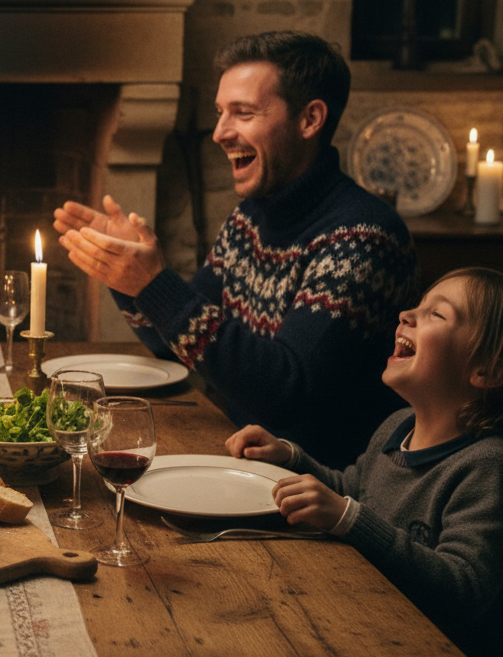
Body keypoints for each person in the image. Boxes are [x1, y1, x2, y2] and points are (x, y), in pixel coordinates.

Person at [54, 30, 418, 466]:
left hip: (314, 489)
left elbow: (283, 393)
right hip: (238, 456)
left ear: (310, 120)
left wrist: (154, 284)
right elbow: (175, 346)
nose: (220, 132)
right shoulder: (251, 218)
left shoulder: (362, 236)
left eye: (242, 113)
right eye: (220, 112)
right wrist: (125, 272)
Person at [226, 267, 503, 657]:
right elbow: (352, 489)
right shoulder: (397, 426)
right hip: (372, 641)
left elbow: (462, 590)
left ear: (488, 370)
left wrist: (348, 518)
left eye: (436, 315)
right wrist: (291, 457)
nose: (406, 314)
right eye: (416, 306)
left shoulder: (492, 468)